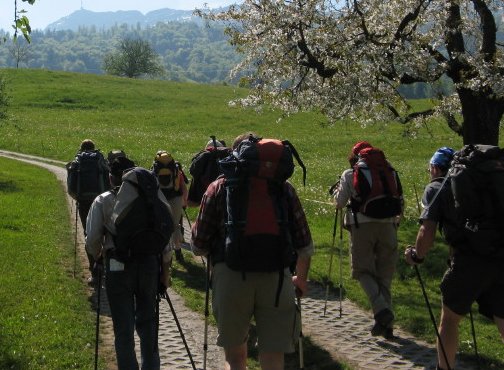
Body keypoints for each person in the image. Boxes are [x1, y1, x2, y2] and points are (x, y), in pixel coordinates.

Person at [404, 147, 504, 370]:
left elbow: (427, 231)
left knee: (449, 322)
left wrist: (417, 256)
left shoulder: (436, 187)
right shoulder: (484, 184)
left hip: (468, 264)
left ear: (435, 168)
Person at [191, 132, 314, 370]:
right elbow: (305, 243)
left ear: (235, 154)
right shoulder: (283, 188)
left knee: (235, 358)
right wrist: (301, 278)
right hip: (277, 277)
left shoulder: (219, 187)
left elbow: (198, 245)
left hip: (231, 275)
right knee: (273, 357)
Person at [86, 158, 172, 370]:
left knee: (123, 328)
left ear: (110, 177)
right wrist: (165, 274)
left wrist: (97, 255)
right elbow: (166, 239)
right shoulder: (151, 200)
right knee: (149, 323)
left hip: (117, 265)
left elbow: (92, 239)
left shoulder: (104, 200)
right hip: (149, 265)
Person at [333, 141, 403, 338]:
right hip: (389, 226)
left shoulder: (351, 173)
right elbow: (400, 200)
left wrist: (338, 191)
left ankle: (382, 310)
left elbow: (339, 203)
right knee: (384, 275)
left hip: (362, 226)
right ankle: (386, 325)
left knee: (362, 270)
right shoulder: (389, 171)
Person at [66, 139, 110, 285]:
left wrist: (78, 197)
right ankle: (106, 266)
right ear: (94, 148)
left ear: (81, 148)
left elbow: (71, 189)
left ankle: (94, 270)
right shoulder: (101, 161)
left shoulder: (77, 162)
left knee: (89, 233)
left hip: (84, 202)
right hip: (103, 200)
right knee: (106, 233)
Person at [151, 150, 187, 263]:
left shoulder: (153, 169)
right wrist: (184, 202)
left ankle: (165, 256)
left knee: (162, 227)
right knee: (176, 226)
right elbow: (183, 187)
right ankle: (178, 252)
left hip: (161, 198)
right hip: (175, 199)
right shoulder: (176, 169)